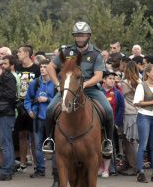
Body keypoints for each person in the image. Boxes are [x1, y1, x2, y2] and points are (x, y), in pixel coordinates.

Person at [44, 21, 114, 157]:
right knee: (49, 109)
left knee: (108, 110)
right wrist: (58, 85)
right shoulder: (66, 52)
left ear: (88, 36)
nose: (80, 39)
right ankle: (49, 139)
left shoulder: (96, 54)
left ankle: (107, 141)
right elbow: (50, 67)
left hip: (90, 89)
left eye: (82, 36)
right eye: (77, 36)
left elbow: (99, 76)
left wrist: (85, 84)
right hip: (68, 90)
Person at [24, 59, 55, 178]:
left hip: (52, 119)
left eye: (45, 67)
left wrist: (48, 100)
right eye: (41, 66)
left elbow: (61, 100)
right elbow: (27, 100)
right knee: (37, 145)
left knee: (54, 145)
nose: (42, 69)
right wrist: (29, 110)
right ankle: (40, 169)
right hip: (38, 119)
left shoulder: (56, 83)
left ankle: (55, 170)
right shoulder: (35, 82)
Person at [133, 64, 153, 183]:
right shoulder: (141, 86)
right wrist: (151, 102)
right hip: (144, 116)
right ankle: (140, 171)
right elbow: (136, 102)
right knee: (143, 145)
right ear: (147, 73)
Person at [100, 69, 125, 178]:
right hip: (99, 123)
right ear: (103, 80)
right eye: (110, 78)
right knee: (98, 145)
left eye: (113, 79)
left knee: (109, 145)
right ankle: (100, 167)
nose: (112, 81)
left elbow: (121, 108)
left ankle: (109, 169)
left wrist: (117, 123)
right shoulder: (99, 92)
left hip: (111, 123)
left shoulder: (117, 93)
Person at [118, 61, 141, 176]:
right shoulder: (140, 82)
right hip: (137, 112)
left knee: (129, 141)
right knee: (132, 140)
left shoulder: (125, 83)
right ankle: (128, 164)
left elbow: (120, 97)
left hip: (128, 113)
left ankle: (134, 166)